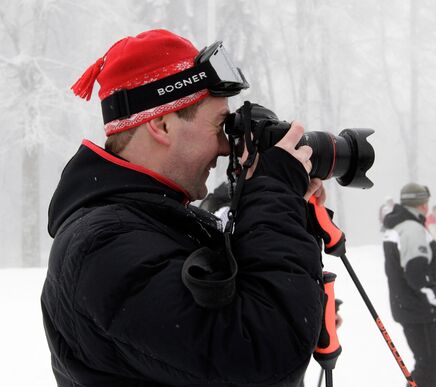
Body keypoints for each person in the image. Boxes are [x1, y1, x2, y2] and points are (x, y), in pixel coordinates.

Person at [41, 29, 326, 386]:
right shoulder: (101, 247)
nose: (226, 148)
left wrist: (285, 212)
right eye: (220, 126)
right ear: (161, 124)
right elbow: (268, 356)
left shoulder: (157, 223)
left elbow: (255, 310)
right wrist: (272, 195)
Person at [382, 183, 436, 387]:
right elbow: (416, 274)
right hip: (420, 310)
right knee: (433, 367)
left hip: (412, 308)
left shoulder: (401, 226)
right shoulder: (412, 229)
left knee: (430, 366)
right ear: (422, 203)